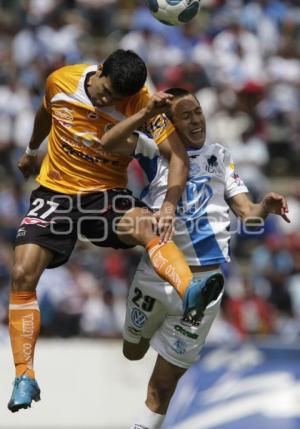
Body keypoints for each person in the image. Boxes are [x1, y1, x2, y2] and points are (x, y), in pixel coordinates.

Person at [8, 50, 222, 413]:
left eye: (118, 98)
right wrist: (32, 150)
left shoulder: (141, 99)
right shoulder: (60, 82)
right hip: (56, 192)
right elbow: (45, 112)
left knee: (147, 224)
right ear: (100, 70)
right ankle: (24, 375)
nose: (109, 101)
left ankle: (190, 291)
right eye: (107, 91)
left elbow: (177, 157)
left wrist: (168, 204)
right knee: (22, 272)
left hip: (104, 194)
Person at [98, 87, 290, 429]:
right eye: (185, 116)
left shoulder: (220, 156)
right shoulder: (156, 152)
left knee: (163, 386)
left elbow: (249, 214)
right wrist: (145, 115)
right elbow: (108, 142)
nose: (196, 120)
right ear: (169, 123)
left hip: (204, 288)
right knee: (133, 352)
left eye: (197, 111)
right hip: (157, 277)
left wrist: (265, 208)